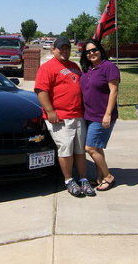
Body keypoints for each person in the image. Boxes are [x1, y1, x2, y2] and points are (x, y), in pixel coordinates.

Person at [35, 37, 95, 197]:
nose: (65, 51)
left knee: (80, 150)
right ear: (53, 49)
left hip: (78, 115)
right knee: (66, 150)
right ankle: (69, 180)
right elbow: (41, 91)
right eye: (61, 48)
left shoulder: (74, 66)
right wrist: (50, 111)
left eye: (67, 48)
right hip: (60, 118)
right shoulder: (47, 68)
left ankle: (83, 179)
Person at [79, 39, 120, 191]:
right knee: (97, 148)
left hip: (101, 115)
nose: (92, 53)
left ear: (100, 50)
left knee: (90, 148)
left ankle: (108, 176)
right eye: (88, 51)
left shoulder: (109, 67)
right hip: (88, 115)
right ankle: (100, 177)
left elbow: (114, 91)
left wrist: (108, 114)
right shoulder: (88, 69)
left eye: (94, 50)